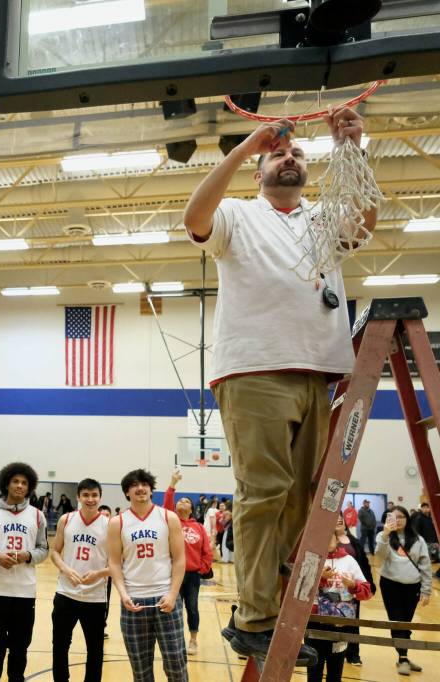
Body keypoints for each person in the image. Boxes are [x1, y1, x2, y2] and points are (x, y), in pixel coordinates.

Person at [183, 105, 374, 663]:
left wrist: (352, 149)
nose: (289, 159)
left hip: (319, 370)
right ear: (259, 169)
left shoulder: (320, 219)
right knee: (264, 493)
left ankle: (278, 607)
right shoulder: (238, 215)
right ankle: (255, 617)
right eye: (279, 154)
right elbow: (194, 217)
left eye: (297, 154)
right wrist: (245, 146)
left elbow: (362, 226)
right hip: (254, 370)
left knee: (303, 500)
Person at [107, 469, 187, 682]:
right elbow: (114, 562)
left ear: (151, 489)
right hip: (134, 603)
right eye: (134, 485)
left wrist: (172, 595)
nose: (140, 488)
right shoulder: (117, 522)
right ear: (127, 492)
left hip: (166, 600)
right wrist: (123, 594)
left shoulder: (168, 517)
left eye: (145, 484)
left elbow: (179, 559)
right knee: (141, 672)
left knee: (176, 666)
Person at [0, 462, 48, 682]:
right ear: (6, 483)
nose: (19, 486)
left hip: (24, 593)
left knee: (20, 649)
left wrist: (27, 556)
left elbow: (43, 550)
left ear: (30, 487)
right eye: (15, 481)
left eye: (24, 483)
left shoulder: (37, 516)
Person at [50, 478, 110, 682]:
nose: (90, 499)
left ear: (100, 497)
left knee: (95, 650)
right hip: (65, 593)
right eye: (86, 495)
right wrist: (66, 569)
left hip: (95, 598)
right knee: (59, 645)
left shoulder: (110, 525)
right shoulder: (66, 520)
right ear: (78, 496)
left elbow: (117, 565)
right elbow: (55, 552)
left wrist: (99, 574)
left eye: (94, 495)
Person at [304, 530, 372, 682]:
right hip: (313, 624)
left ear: (337, 539)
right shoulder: (310, 560)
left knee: (335, 673)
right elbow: (300, 592)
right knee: (313, 672)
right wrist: (320, 578)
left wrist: (353, 585)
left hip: (341, 626)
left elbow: (367, 592)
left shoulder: (349, 561)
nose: (327, 540)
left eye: (330, 536)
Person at [375, 505, 432, 675]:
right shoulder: (382, 536)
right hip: (390, 586)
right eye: (393, 517)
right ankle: (403, 658)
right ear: (387, 520)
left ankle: (404, 656)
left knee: (406, 623)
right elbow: (380, 556)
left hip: (412, 587)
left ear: (407, 519)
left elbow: (425, 566)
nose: (397, 520)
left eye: (401, 516)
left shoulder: (418, 539)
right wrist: (385, 534)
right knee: (397, 621)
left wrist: (426, 591)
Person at [333, 514, 374, 667]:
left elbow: (365, 564)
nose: (338, 519)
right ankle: (333, 652)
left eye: (340, 517)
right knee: (332, 622)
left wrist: (369, 585)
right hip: (331, 591)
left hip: (352, 590)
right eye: (334, 517)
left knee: (353, 622)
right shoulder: (325, 541)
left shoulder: (354, 541)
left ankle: (353, 654)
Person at [174, 496, 212, 656]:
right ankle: (176, 641)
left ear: (191, 509)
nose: (182, 502)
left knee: (192, 608)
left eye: (187, 501)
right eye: (180, 500)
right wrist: (172, 486)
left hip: (192, 576)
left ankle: (193, 640)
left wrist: (201, 569)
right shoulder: (171, 523)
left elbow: (207, 551)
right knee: (173, 610)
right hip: (173, 575)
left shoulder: (199, 527)